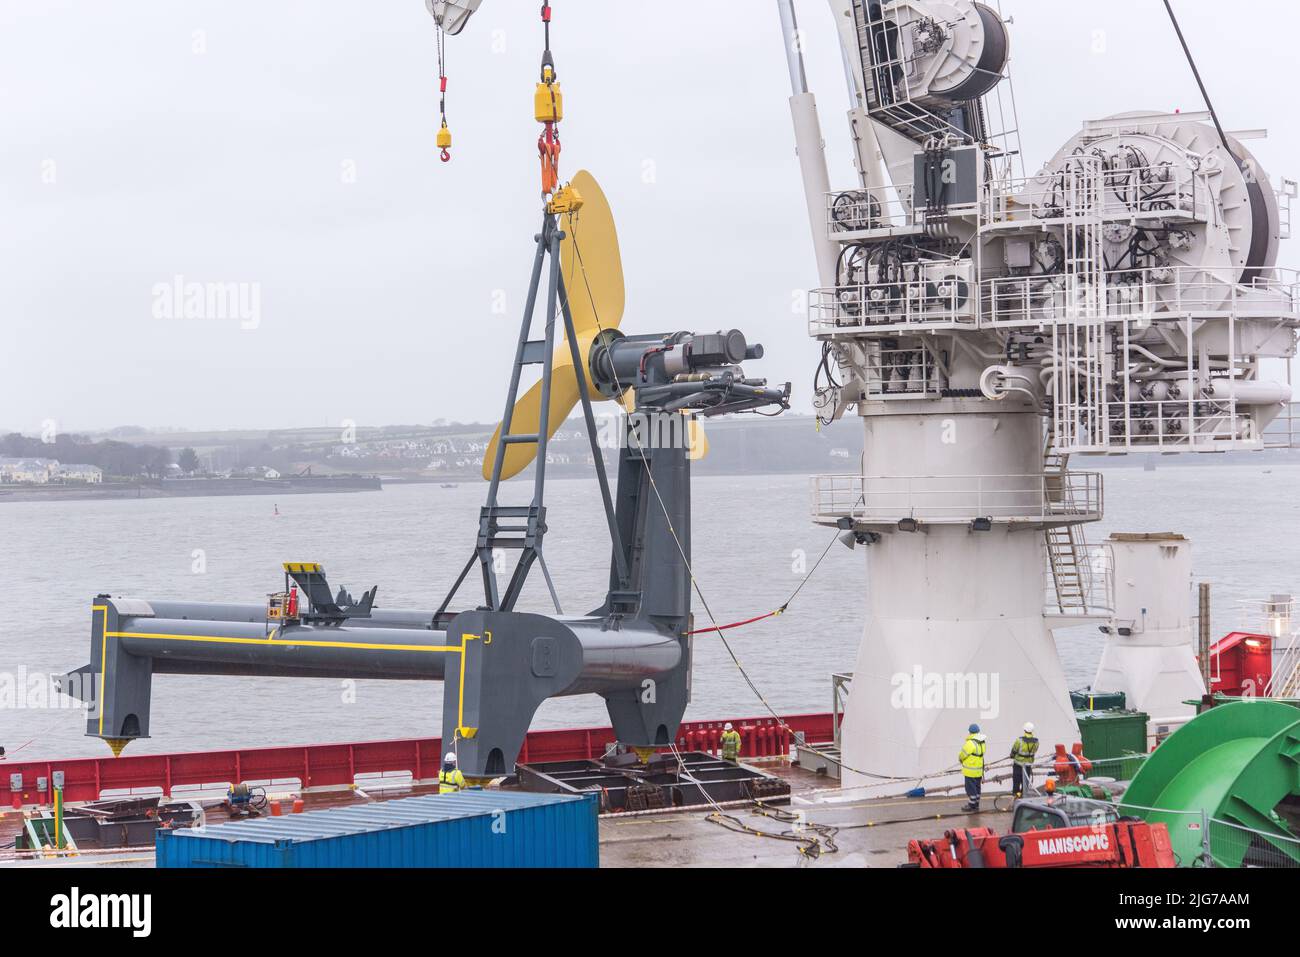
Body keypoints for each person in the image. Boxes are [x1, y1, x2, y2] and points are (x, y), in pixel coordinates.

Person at [958, 723, 987, 812]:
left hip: (970, 771)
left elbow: (962, 755)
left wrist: (960, 760)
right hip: (978, 770)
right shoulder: (982, 742)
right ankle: (976, 804)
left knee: (970, 788)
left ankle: (971, 805)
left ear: (970, 732)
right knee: (977, 787)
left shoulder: (970, 743)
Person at [1010, 722, 1039, 799]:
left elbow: (1014, 750)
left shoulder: (1019, 740)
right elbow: (1035, 751)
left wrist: (1012, 755)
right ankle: (1024, 796)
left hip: (1018, 764)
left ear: (1024, 730)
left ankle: (1016, 796)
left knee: (1016, 781)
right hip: (1028, 765)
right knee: (1025, 782)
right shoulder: (1036, 742)